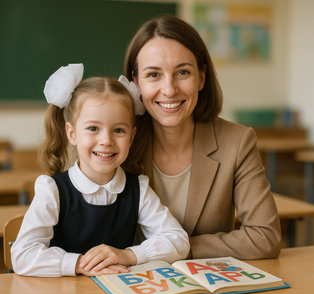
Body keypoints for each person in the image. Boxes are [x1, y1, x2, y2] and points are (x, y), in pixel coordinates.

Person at [123, 15, 281, 259]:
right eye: (153, 75)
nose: (169, 89)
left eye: (183, 72)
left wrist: (173, 249)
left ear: (202, 77)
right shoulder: (116, 143)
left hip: (209, 288)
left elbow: (265, 237)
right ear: (135, 83)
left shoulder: (237, 142)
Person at [11, 63, 189, 277]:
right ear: (72, 133)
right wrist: (79, 263)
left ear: (132, 136)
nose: (106, 141)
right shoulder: (53, 190)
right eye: (93, 128)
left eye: (119, 130)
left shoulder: (138, 189)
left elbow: (178, 240)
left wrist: (129, 255)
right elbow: (22, 255)